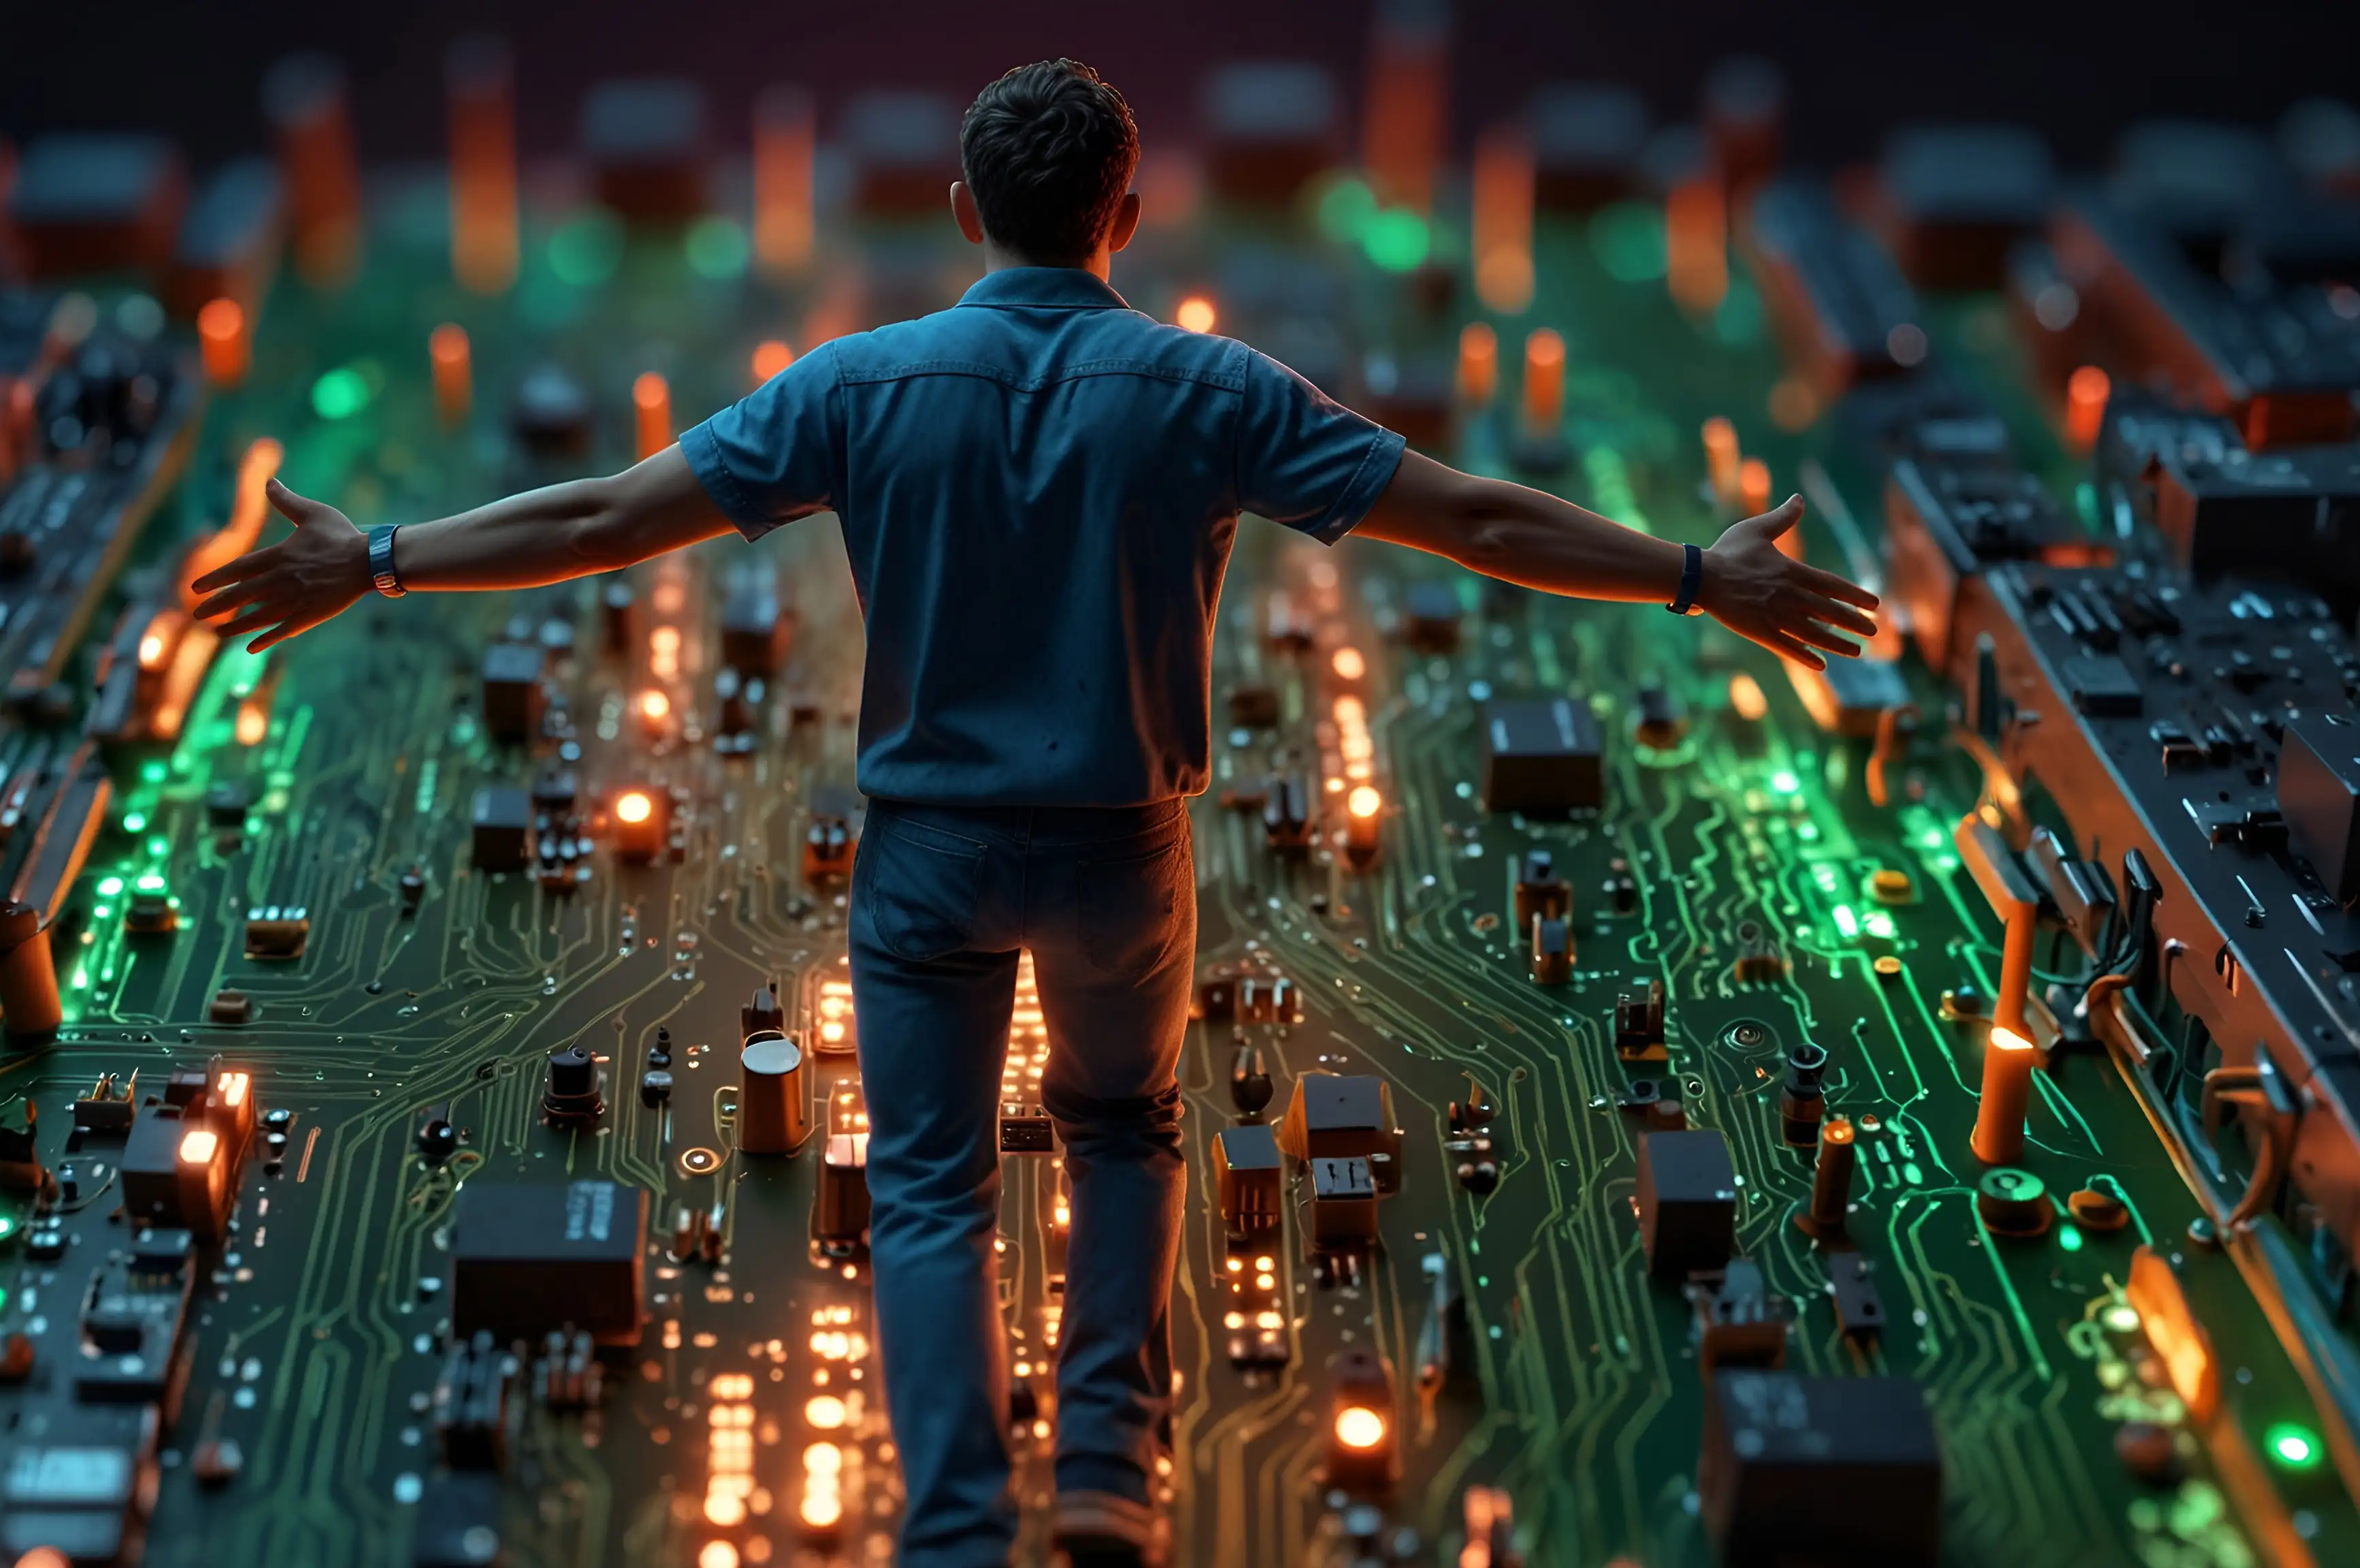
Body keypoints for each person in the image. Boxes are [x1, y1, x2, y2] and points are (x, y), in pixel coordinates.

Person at [192, 58, 1878, 1568]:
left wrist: (387, 557)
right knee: (1127, 1134)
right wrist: (1687, 577)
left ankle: (950, 1528)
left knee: (928, 1188)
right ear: (1123, 216)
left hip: (923, 859)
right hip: (1119, 857)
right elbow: (1478, 522)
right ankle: (1104, 1483)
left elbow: (612, 515)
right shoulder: (1209, 394)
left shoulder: (857, 387)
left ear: (958, 212)